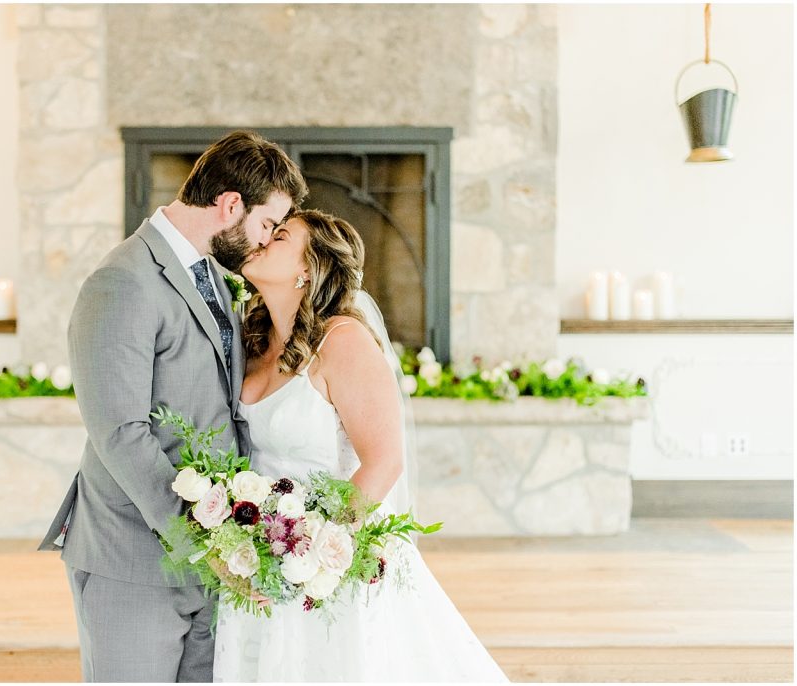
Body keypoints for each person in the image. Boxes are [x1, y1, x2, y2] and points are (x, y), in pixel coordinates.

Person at [38, 130, 308, 682]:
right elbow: (120, 432)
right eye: (264, 225)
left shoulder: (213, 276)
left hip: (209, 557)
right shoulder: (121, 282)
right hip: (132, 555)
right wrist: (200, 543)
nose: (263, 243)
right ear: (230, 205)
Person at [212, 208, 510, 682]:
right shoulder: (254, 339)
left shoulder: (344, 342)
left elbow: (384, 462)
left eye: (281, 235)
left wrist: (309, 553)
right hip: (263, 552)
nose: (263, 238)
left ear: (307, 269)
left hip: (328, 566)